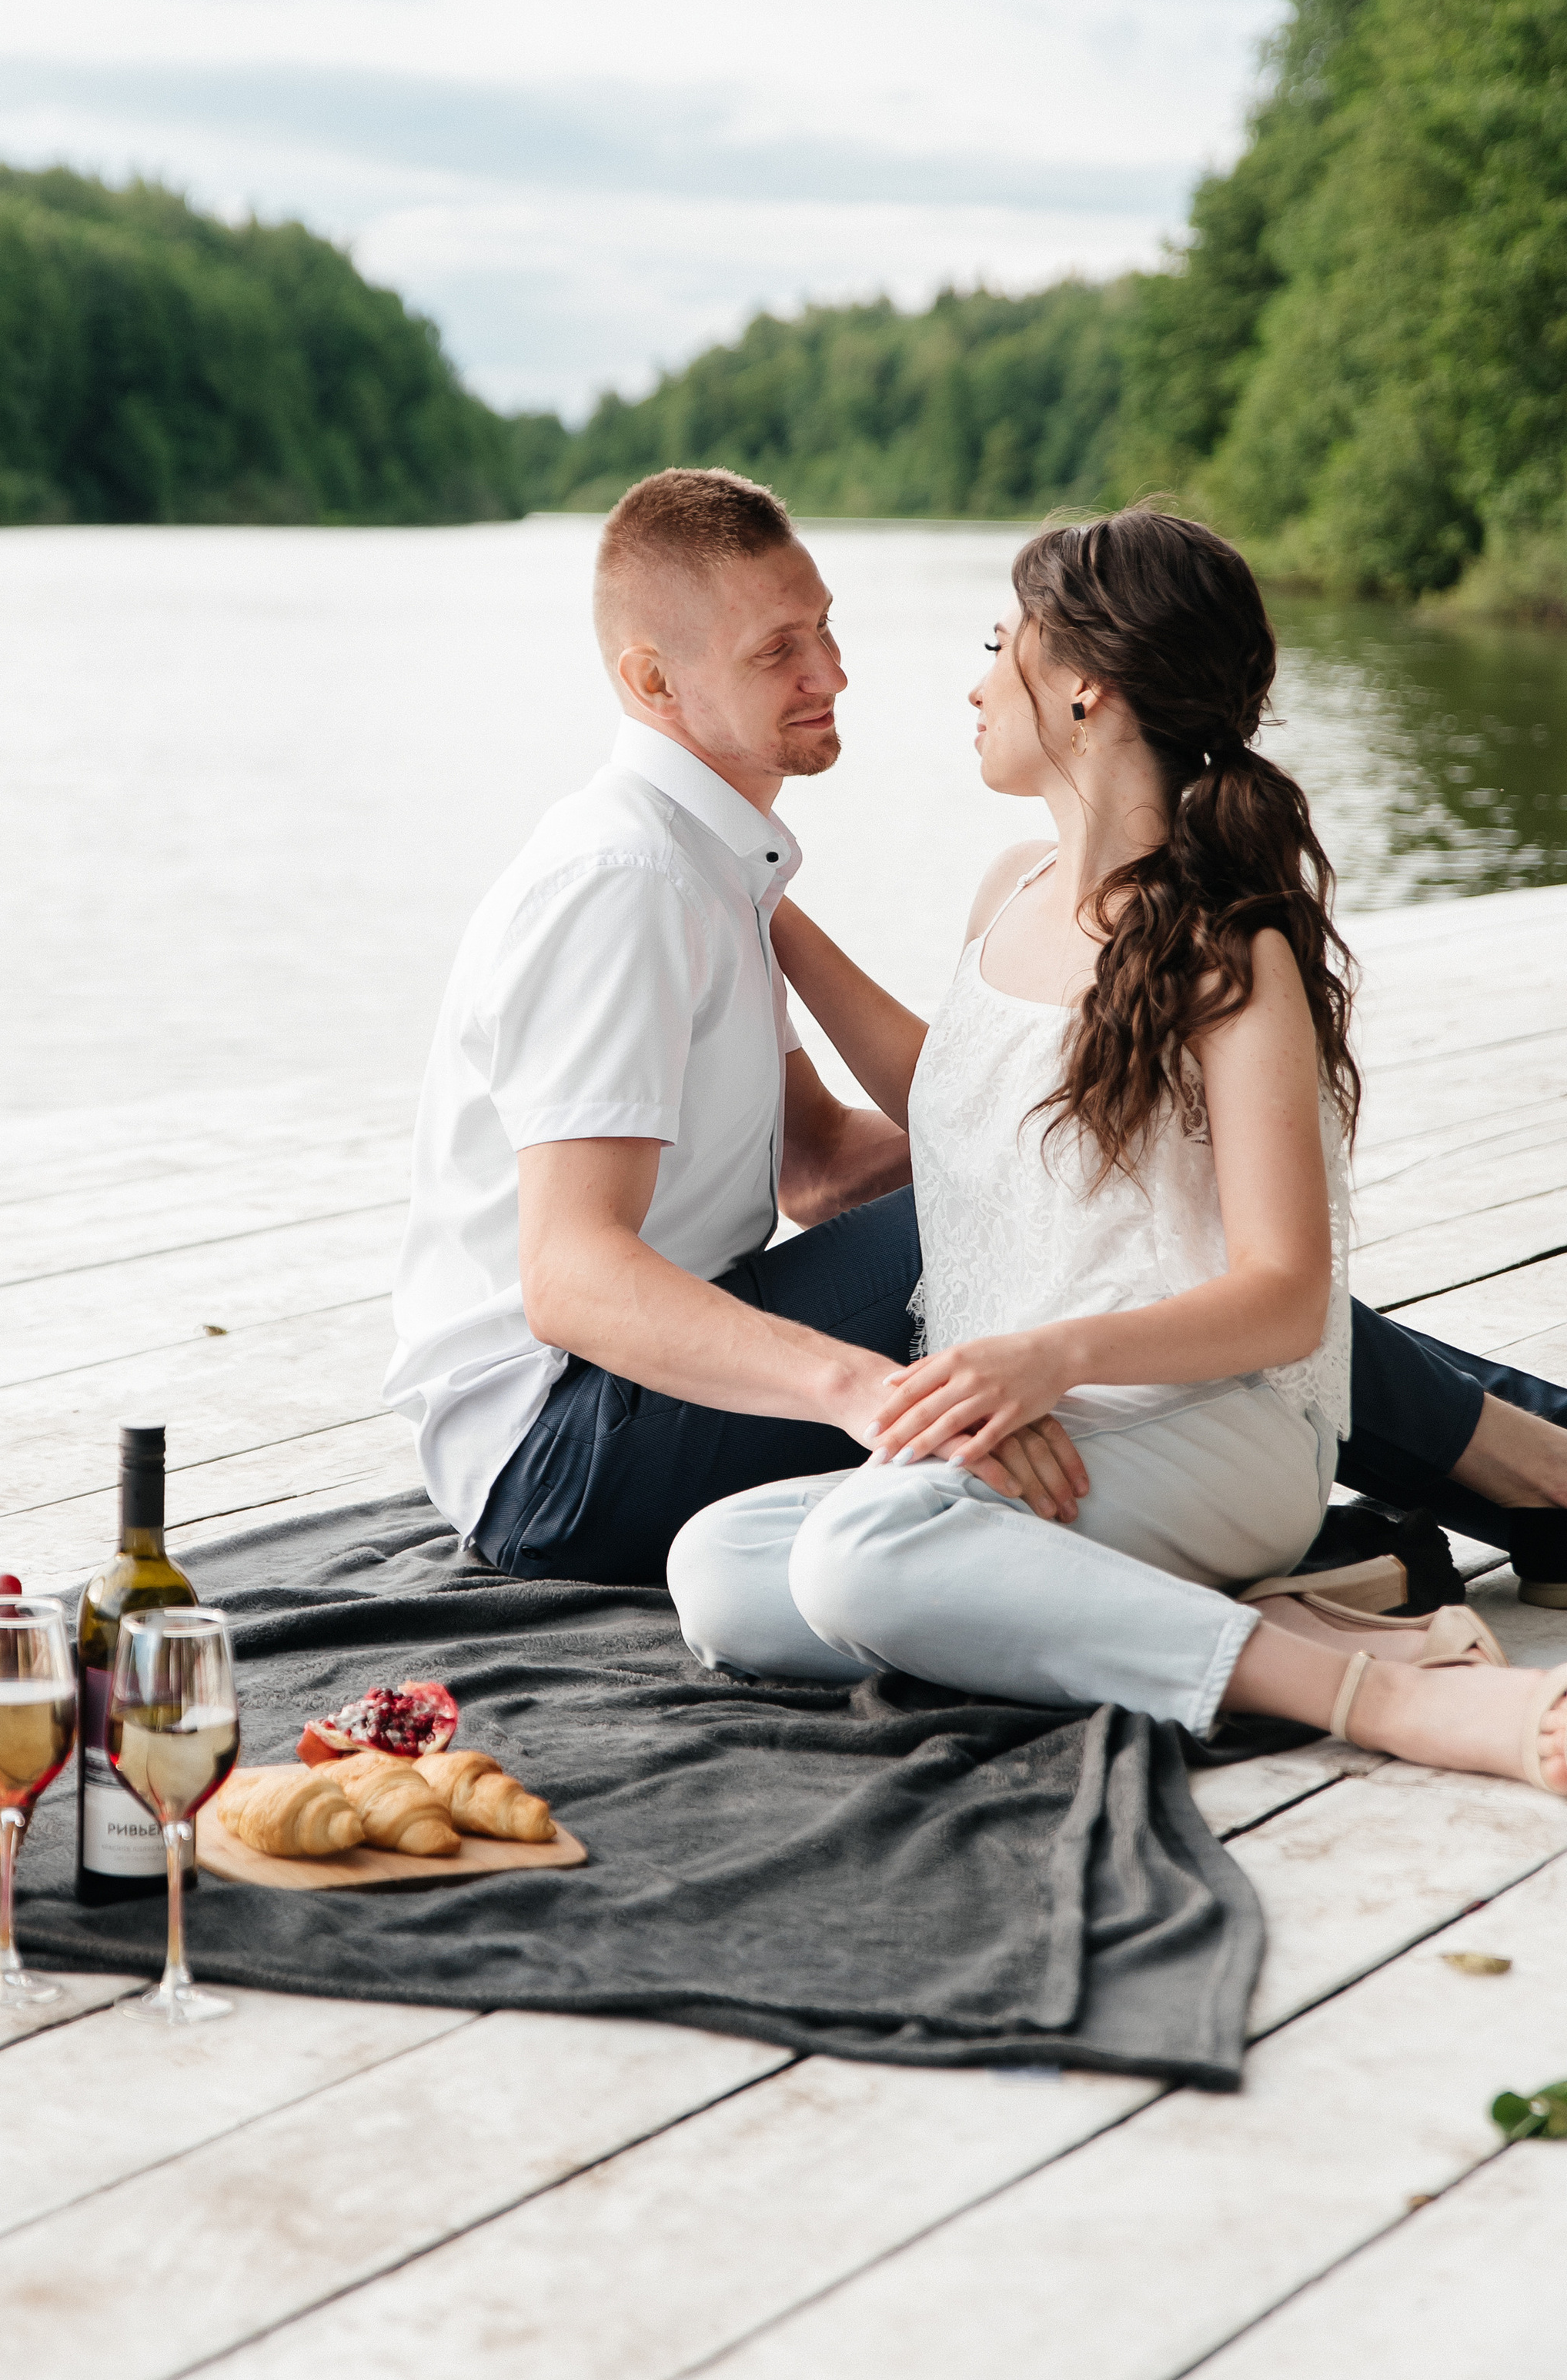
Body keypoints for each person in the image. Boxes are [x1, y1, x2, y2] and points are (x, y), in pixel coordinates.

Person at [383, 466, 1567, 1618]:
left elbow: (822, 1169)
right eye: (776, 651)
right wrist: (869, 1391)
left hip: (648, 1387)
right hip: (564, 1443)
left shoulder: (708, 872)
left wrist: (1139, 1157)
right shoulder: (631, 884)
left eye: (825, 628)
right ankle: (1537, 1462)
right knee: (1069, 1236)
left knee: (1137, 1224)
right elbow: (571, 1277)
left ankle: (1486, 1478)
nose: (834, 673)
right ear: (654, 681)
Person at [664, 507, 1565, 1791]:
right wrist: (761, 903)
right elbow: (961, 1099)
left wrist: (1050, 1358)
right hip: (1035, 1426)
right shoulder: (1009, 891)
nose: (974, 681)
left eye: (999, 644)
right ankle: (1276, 1608)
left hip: (1210, 1425)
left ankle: (1380, 1696)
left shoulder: (1230, 945)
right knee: (719, 1570)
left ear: (1084, 688)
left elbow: (1286, 1290)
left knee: (861, 1560)